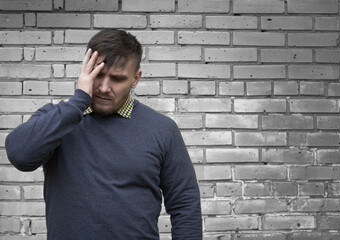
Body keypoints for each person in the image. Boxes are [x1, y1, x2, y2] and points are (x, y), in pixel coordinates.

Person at [5, 29, 202, 240]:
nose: (104, 87)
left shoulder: (162, 129)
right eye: (98, 74)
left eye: (117, 79)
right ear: (86, 70)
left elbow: (185, 205)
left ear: (135, 79)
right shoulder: (57, 120)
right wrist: (78, 102)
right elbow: (20, 155)